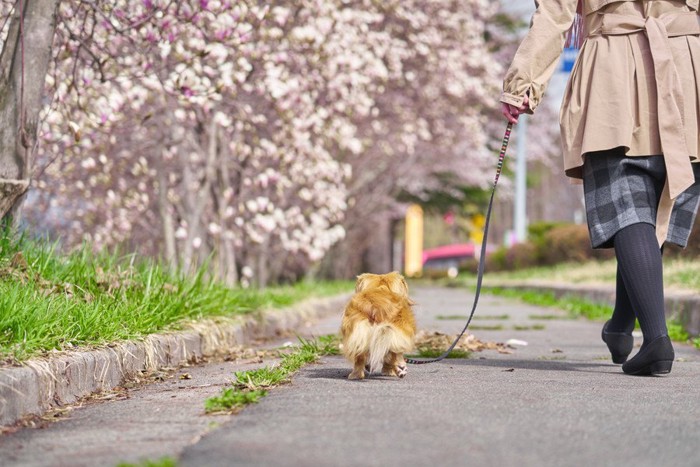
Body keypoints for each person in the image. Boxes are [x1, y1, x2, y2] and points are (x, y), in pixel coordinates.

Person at [500, 0, 700, 376]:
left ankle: (657, 340)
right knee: (653, 207)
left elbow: (555, 14)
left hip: (615, 68)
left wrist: (522, 85)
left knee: (629, 206)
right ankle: (621, 327)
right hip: (688, 67)